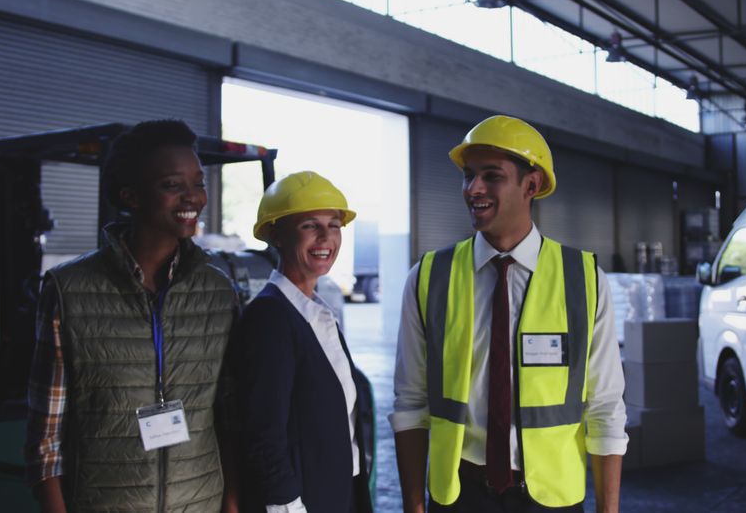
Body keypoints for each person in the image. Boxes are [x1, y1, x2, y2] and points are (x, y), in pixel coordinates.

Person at [391, 115, 628, 513]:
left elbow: (605, 406)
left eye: (491, 175)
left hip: (551, 497)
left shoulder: (584, 280)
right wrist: (413, 505)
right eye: (468, 176)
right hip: (459, 496)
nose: (474, 189)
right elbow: (410, 402)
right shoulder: (430, 277)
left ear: (531, 185)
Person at [25, 119, 241, 512]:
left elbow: (231, 418)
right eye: (173, 185)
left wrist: (230, 505)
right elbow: (45, 440)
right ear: (131, 196)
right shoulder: (68, 290)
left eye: (199, 183)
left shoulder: (218, 291)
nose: (192, 198)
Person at [235, 171, 373, 513]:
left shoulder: (318, 313)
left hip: (338, 489)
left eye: (334, 225)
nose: (326, 237)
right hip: (300, 502)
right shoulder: (270, 318)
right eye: (310, 225)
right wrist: (286, 505)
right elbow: (263, 433)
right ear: (276, 234)